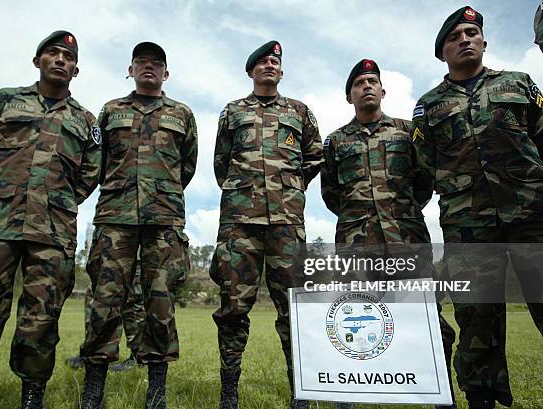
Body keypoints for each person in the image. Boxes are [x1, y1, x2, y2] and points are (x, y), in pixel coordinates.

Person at [0, 31, 100, 409]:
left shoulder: (84, 120)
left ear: (76, 70)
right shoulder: (5, 101)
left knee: (40, 320)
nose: (60, 60)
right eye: (52, 53)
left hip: (52, 231)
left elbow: (89, 175)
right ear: (37, 61)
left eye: (68, 57)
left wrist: (55, 202)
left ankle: (32, 399)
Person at [412, 6, 543, 409]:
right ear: (442, 53)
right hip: (468, 229)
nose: (465, 39)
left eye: (471, 32)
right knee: (476, 321)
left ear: (483, 41)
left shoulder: (519, 84)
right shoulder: (429, 106)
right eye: (455, 36)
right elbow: (422, 168)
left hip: (532, 216)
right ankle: (482, 401)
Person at [321, 59, 457, 409]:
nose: (366, 86)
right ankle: (347, 400)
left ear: (382, 90)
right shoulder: (335, 142)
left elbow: (423, 182)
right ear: (349, 96)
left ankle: (442, 395)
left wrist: (400, 215)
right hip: (356, 245)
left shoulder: (405, 132)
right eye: (359, 83)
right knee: (353, 320)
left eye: (372, 81)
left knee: (426, 320)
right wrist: (360, 220)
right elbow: (331, 194)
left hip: (406, 240)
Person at [78, 42, 197, 409]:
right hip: (116, 218)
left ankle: (156, 393)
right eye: (142, 62)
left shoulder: (182, 113)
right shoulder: (111, 111)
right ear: (130, 70)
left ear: (166, 73)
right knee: (105, 302)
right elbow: (95, 161)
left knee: (160, 305)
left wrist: (162, 192)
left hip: (163, 220)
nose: (149, 67)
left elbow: (186, 166)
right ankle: (93, 390)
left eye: (157, 63)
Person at [210, 40, 323, 409]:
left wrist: (289, 189)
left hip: (287, 225)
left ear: (281, 70)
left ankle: (300, 391)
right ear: (251, 71)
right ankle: (230, 392)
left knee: (293, 306)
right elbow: (220, 164)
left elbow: (315, 156)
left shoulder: (300, 112)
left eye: (274, 61)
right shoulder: (231, 112)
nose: (269, 65)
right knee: (232, 308)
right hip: (239, 224)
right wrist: (244, 192)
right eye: (262, 62)